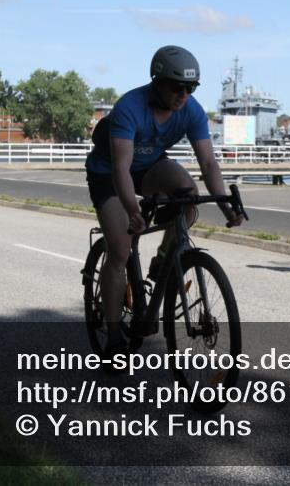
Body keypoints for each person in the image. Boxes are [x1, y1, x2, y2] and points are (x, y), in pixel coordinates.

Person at [85, 46, 243, 357]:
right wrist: (132, 210)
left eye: (191, 87)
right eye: (176, 87)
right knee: (120, 248)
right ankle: (115, 334)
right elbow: (120, 168)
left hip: (148, 167)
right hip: (109, 173)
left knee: (188, 193)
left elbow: (209, 164)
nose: (183, 94)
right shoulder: (130, 106)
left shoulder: (192, 111)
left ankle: (162, 261)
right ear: (156, 81)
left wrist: (226, 205)